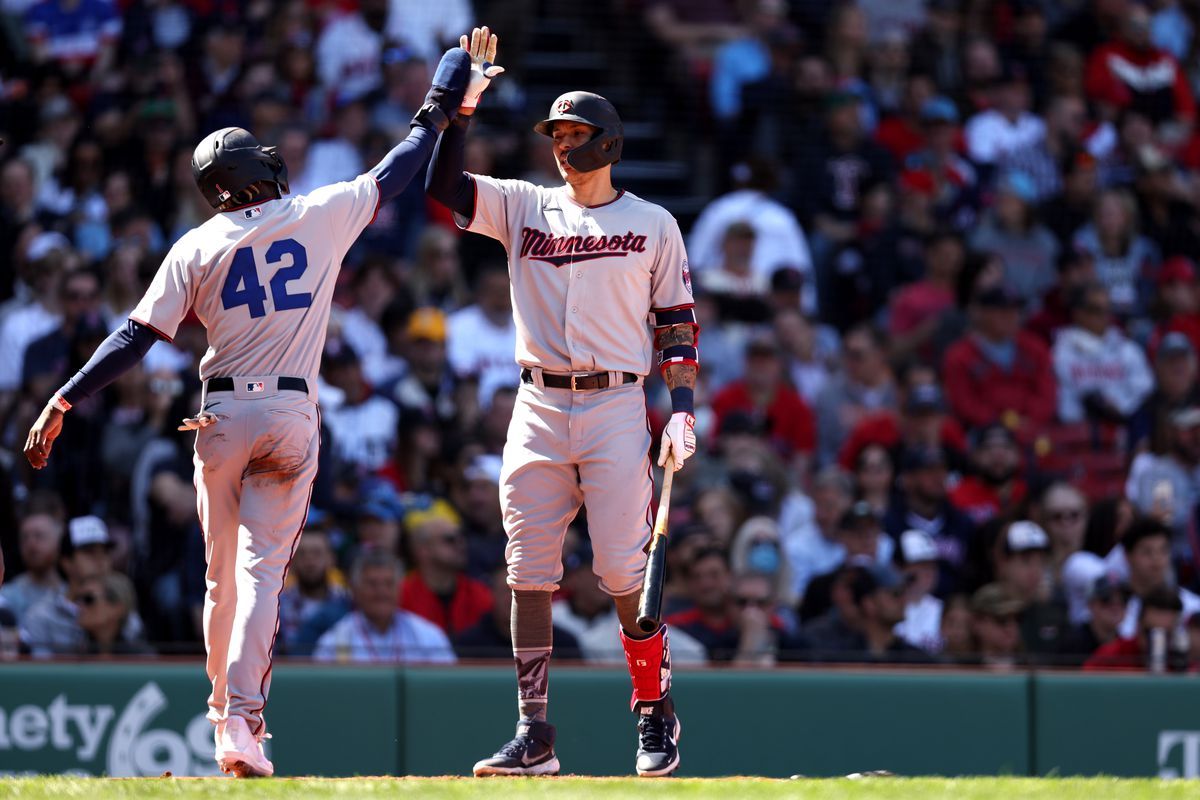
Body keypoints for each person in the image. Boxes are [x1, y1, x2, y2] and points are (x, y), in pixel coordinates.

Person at [22, 50, 472, 778]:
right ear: (252, 174)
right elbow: (406, 161)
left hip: (222, 412)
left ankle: (222, 723)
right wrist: (447, 93)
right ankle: (244, 723)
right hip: (290, 409)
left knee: (220, 581)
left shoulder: (196, 243)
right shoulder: (318, 212)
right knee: (264, 577)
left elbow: (135, 337)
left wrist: (64, 396)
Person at [426, 28, 695, 778]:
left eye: (576, 134)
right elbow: (443, 188)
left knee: (621, 571)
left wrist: (681, 407)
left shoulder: (652, 224)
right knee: (529, 569)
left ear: (608, 143)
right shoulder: (523, 206)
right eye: (556, 133)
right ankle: (534, 732)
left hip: (614, 403)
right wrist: (463, 109)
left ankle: (653, 712)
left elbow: (676, 324)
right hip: (538, 403)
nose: (562, 145)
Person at [313, 549, 456, 664]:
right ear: (355, 590)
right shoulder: (334, 641)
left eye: (389, 584)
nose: (381, 592)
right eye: (372, 584)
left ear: (400, 588)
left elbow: (447, 687)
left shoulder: (428, 636)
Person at [1052, 283, 1154, 424]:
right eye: (1096, 310)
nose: (1104, 316)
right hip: (1078, 430)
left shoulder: (1127, 349)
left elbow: (1144, 389)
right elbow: (1061, 400)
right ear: (1077, 312)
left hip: (1123, 425)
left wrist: (1119, 406)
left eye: (1107, 309)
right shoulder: (1060, 352)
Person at [1085, 586, 1184, 671]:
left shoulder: (1181, 665)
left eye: (1165, 635)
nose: (1155, 642)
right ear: (1138, 625)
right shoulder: (1109, 658)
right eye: (1149, 633)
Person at [0, 511, 65, 623]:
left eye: (39, 536)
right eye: (25, 538)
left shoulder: (72, 594)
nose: (31, 544)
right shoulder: (6, 596)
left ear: (58, 542)